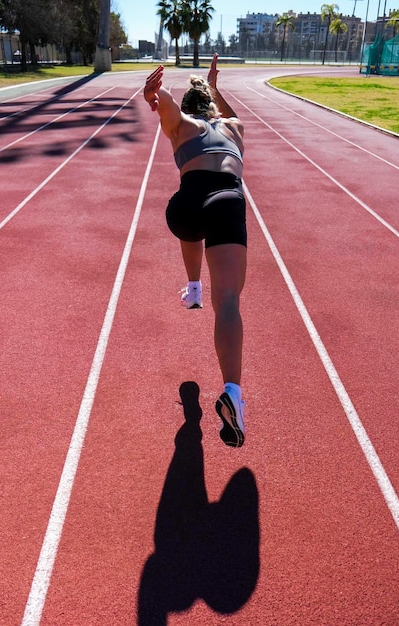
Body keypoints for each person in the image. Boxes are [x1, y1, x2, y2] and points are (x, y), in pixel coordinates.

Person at [144, 54, 247, 448]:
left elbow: (165, 103)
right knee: (230, 301)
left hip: (187, 210)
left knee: (188, 210)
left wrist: (155, 93)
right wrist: (216, 87)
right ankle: (233, 393)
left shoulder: (181, 126)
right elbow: (226, 111)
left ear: (190, 110)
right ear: (215, 106)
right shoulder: (235, 129)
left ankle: (192, 288)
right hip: (226, 201)